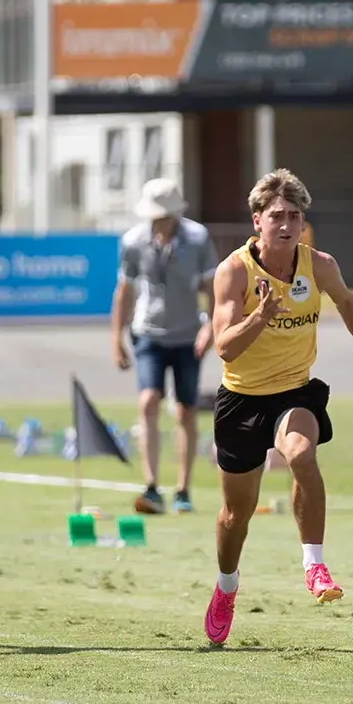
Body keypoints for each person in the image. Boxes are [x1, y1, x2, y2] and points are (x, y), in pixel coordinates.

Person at [202, 169, 353, 646]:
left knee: (301, 453)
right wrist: (261, 315)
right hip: (240, 400)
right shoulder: (234, 271)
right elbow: (225, 347)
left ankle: (314, 564)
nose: (286, 224)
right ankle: (227, 587)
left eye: (294, 216)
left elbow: (349, 304)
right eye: (276, 215)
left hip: (295, 392)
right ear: (257, 221)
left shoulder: (318, 265)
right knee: (237, 514)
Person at [113, 177, 217, 515]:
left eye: (163, 215)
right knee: (148, 401)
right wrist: (117, 337)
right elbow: (125, 290)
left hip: (188, 334)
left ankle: (183, 489)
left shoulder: (197, 239)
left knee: (186, 410)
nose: (158, 221)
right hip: (148, 333)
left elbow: (212, 287)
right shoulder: (133, 241)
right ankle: (152, 485)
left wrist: (211, 327)